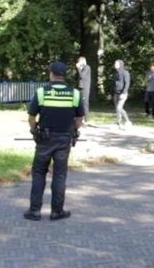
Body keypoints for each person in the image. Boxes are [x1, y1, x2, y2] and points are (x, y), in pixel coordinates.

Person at [24, 62, 84, 221]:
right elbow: (79, 118)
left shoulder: (42, 92)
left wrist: (33, 130)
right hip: (64, 139)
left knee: (38, 173)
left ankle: (34, 211)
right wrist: (75, 131)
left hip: (44, 139)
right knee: (59, 174)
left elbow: (31, 117)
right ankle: (57, 211)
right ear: (64, 75)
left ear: (51, 74)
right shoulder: (75, 94)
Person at [113, 60, 132, 130]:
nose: (115, 65)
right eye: (115, 63)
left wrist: (123, 93)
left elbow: (127, 84)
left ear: (120, 64)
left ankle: (128, 121)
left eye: (116, 64)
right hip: (116, 93)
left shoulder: (125, 73)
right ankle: (118, 123)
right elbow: (114, 84)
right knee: (117, 109)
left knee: (119, 108)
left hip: (122, 93)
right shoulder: (116, 73)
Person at [76, 57, 92, 125]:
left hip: (85, 88)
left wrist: (79, 68)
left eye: (80, 62)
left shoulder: (87, 67)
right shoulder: (82, 68)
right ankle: (81, 118)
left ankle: (87, 119)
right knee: (80, 104)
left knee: (85, 104)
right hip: (81, 87)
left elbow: (82, 76)